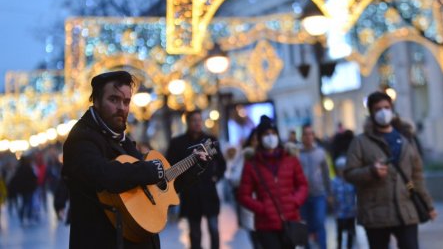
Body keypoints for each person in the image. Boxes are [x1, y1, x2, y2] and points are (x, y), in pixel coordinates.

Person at [62, 70, 211, 249]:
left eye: (126, 101)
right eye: (113, 99)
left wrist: (194, 167)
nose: (122, 108)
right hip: (103, 241)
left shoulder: (122, 140)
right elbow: (102, 174)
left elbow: (156, 188)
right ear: (96, 101)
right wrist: (148, 170)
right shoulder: (82, 138)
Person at [344, 91, 437, 249]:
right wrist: (371, 171)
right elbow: (349, 173)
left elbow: (417, 176)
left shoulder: (406, 138)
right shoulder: (360, 142)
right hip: (375, 214)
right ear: (371, 113)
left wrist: (429, 205)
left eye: (386, 107)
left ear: (392, 109)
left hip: (405, 211)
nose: (383, 112)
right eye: (378, 109)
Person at [238, 115, 308, 249]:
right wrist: (262, 208)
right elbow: (243, 195)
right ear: (259, 138)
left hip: (290, 220)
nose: (270, 137)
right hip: (266, 225)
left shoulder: (290, 159)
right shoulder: (252, 164)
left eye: (273, 133)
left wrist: (294, 201)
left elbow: (303, 185)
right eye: (266, 134)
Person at [166, 110, 226, 249]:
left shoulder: (210, 140)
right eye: (194, 120)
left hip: (208, 190)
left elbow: (221, 163)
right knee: (195, 233)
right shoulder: (177, 143)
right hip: (190, 192)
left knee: (213, 229)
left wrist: (216, 176)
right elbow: (170, 166)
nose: (198, 123)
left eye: (200, 120)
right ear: (188, 122)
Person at [298, 124, 330, 249]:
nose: (308, 137)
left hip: (319, 194)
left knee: (320, 222)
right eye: (306, 134)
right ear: (302, 136)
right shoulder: (298, 154)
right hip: (303, 196)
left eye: (311, 133)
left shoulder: (321, 152)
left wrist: (329, 192)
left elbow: (326, 173)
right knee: (305, 225)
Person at [331, 157, 356, 249]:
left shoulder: (352, 181)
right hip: (339, 212)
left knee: (351, 232)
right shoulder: (334, 181)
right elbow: (331, 195)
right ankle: (339, 246)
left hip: (351, 212)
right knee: (339, 232)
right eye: (340, 169)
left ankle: (350, 246)